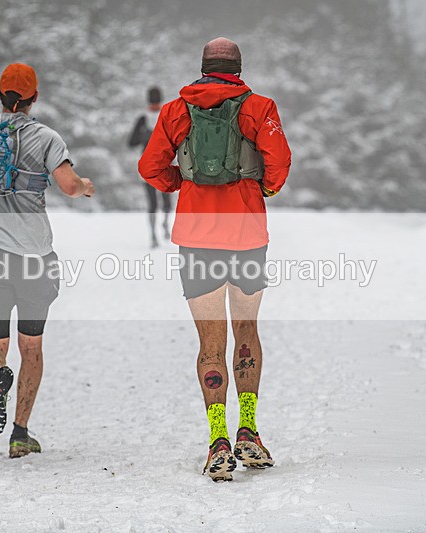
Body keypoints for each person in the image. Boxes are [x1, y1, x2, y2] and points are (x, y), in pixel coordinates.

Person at [138, 38, 291, 481]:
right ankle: (249, 430)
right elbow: (279, 162)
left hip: (196, 237)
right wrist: (263, 189)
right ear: (239, 68)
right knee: (246, 330)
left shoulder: (173, 111)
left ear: (202, 66)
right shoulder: (260, 107)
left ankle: (218, 440)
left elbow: (150, 167)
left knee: (210, 343)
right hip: (247, 234)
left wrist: (180, 186)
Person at [0, 63, 95, 458]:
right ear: (34, 98)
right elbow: (70, 186)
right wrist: (85, 187)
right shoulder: (46, 136)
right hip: (34, 257)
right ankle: (20, 433)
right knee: (32, 347)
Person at [128, 86, 173, 248]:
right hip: (165, 163)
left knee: (153, 202)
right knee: (165, 200)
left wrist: (144, 137)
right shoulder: (167, 114)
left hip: (148, 164)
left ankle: (155, 234)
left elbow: (131, 142)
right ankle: (163, 227)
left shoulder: (143, 118)